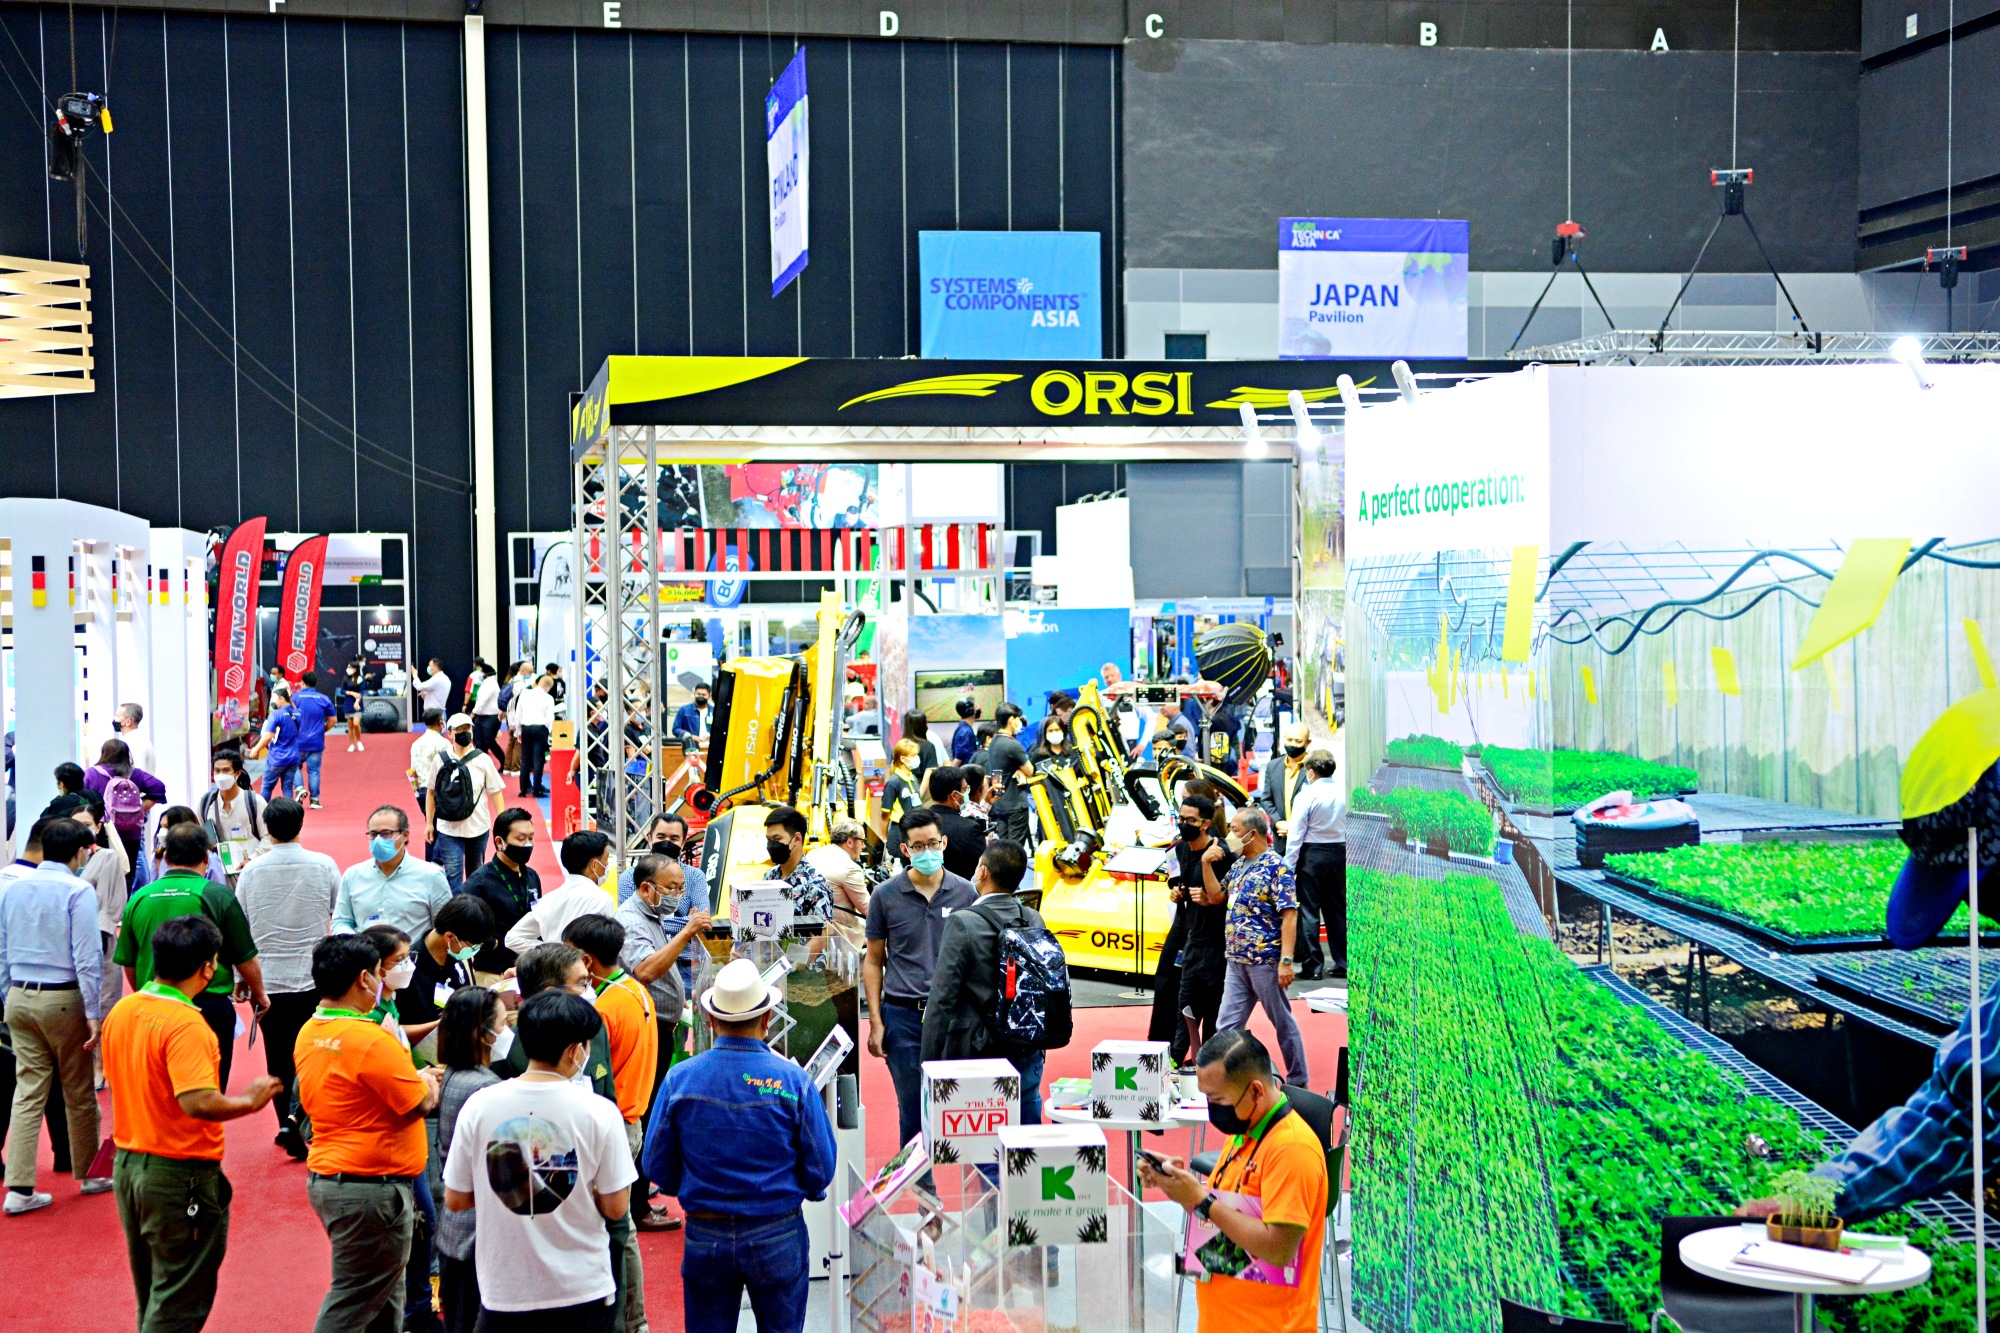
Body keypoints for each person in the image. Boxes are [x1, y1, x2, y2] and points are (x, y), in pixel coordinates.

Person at [102, 915, 284, 1330]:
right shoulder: (186, 1024)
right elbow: (197, 1101)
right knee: (180, 1297)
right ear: (208, 967)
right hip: (176, 1171)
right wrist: (249, 1102)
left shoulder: (125, 1010)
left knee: (155, 1290)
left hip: (129, 1164)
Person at [643, 958, 836, 1333]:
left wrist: (691, 1185)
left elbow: (655, 1164)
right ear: (767, 1019)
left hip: (706, 1234)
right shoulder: (793, 1082)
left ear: (711, 1020)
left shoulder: (679, 1080)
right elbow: (821, 1169)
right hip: (777, 1230)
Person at [444, 990, 634, 1333]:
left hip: (505, 1287)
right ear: (575, 1051)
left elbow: (456, 1199)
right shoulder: (600, 1112)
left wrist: (501, 1186)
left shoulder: (480, 1105)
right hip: (582, 1286)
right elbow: (616, 1206)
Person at [295, 933, 444, 1333]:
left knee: (384, 1298)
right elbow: (419, 1103)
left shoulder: (310, 1030)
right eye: (380, 971)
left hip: (339, 1178)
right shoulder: (370, 1039)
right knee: (354, 1299)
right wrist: (428, 1080)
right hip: (371, 1188)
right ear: (364, 979)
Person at [1136, 1029, 1326, 1333]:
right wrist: (1180, 1189)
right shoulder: (1245, 1130)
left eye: (1218, 1099)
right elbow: (1227, 1220)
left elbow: (1279, 1249)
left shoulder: (1292, 1150)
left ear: (1256, 1091)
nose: (1212, 1109)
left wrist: (1201, 1200)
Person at [1, 817, 111, 1211]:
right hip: (63, 998)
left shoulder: (13, 889)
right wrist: (93, 1011)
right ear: (79, 852)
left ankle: (18, 1189)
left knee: (27, 1092)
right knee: (78, 1091)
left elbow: (2, 950)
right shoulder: (77, 890)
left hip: (19, 996)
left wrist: (7, 995)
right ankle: (92, 1173)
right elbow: (88, 955)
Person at [115, 822, 268, 1094]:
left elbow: (129, 961)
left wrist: (143, 992)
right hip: (208, 1007)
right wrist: (259, 993)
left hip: (152, 1006)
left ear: (166, 856)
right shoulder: (217, 895)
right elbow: (245, 955)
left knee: (161, 1089)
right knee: (208, 1090)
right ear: (206, 857)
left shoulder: (139, 898)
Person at [563, 913, 657, 1331]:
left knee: (618, 1231)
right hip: (632, 1118)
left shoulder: (603, 1009)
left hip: (614, 1123)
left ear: (586, 959)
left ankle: (630, 1319)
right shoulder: (636, 989)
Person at [919, 838, 1057, 1124]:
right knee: (1026, 1131)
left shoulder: (963, 922)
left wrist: (928, 1062)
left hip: (978, 1049)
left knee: (983, 1134)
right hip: (1027, 1043)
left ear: (982, 872)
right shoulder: (1033, 917)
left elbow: (942, 998)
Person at [234, 797, 341, 1160]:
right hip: (315, 979)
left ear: (267, 828)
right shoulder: (323, 865)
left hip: (268, 981)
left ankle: (286, 1122)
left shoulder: (251, 872)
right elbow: (337, 911)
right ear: (300, 825)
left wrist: (241, 977)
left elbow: (241, 929)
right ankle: (310, 1121)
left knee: (278, 1057)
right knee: (318, 1053)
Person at [864, 808, 977, 1150]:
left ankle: (975, 1180)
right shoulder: (885, 895)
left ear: (944, 843)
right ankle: (920, 1182)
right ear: (905, 850)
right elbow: (873, 961)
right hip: (903, 1018)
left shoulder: (966, 893)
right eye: (918, 846)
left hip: (954, 1018)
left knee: (966, 1109)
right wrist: (876, 1021)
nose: (926, 851)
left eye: (932, 843)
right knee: (913, 1114)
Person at [616, 855, 711, 1228]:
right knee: (644, 1115)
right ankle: (636, 1207)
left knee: (652, 1113)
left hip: (661, 1026)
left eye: (681, 888)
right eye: (671, 888)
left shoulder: (652, 916)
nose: (678, 896)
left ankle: (639, 1197)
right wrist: (686, 933)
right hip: (646, 1029)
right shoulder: (631, 921)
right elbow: (645, 970)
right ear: (646, 888)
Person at [1214, 808, 1309, 1087]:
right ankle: (1231, 1082)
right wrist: (1206, 864)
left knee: (1282, 1023)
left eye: (1234, 830)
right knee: (1226, 1027)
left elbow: (1289, 915)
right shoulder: (1238, 865)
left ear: (1252, 834)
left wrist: (1286, 961)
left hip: (1265, 961)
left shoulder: (1277, 867)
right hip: (1236, 960)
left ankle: (1298, 1081)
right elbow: (1217, 895)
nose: (1229, 836)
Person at [433, 986, 505, 1333]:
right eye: (503, 1023)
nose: (507, 1030)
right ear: (484, 1033)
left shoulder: (453, 1073)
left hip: (455, 1231)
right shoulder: (485, 1088)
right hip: (476, 1235)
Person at [1169, 793, 1235, 1063]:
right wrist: (1176, 891)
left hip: (1218, 945)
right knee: (1184, 1010)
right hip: (1192, 941)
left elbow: (1228, 896)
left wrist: (1211, 899)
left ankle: (1209, 1067)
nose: (1183, 824)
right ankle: (1174, 1063)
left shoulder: (1220, 853)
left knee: (1213, 1014)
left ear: (1205, 824)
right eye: (1180, 818)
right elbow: (1176, 878)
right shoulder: (1181, 849)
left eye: (1190, 820)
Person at [336, 805, 453, 939]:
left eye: (386, 833)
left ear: (405, 835)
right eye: (373, 834)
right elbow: (341, 921)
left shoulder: (431, 876)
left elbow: (444, 927)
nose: (378, 840)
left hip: (413, 951)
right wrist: (356, 944)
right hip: (365, 951)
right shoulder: (353, 876)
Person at [1282, 751, 1346, 978]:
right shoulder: (1344, 791)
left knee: (1309, 910)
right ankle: (1343, 962)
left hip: (1312, 854)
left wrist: (1288, 867)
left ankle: (1313, 967)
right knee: (1337, 909)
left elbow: (1296, 834)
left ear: (1311, 772)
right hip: (1339, 852)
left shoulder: (1307, 795)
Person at [397, 895, 495, 1041]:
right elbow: (392, 1031)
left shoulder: (459, 956)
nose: (475, 950)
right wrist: (441, 1025)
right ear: (449, 937)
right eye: (473, 946)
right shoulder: (405, 970)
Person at [427, 713, 507, 891]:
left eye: (467, 728)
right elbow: (431, 791)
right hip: (448, 828)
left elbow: (496, 792)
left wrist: (502, 823)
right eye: (459, 729)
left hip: (478, 827)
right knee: (453, 874)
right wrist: (429, 824)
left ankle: (473, 906)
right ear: (449, 734)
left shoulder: (483, 759)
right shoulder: (440, 760)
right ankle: (456, 908)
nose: (464, 732)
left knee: (475, 875)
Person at [504, 830, 615, 954]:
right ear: (594, 865)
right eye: (606, 859)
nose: (607, 864)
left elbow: (512, 939)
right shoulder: (602, 899)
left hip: (552, 965)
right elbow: (603, 948)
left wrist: (553, 953)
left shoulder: (547, 900)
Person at [462, 809, 541, 974]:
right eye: (521, 839)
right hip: (493, 972)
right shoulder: (479, 883)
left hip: (530, 969)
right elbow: (464, 928)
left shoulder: (532, 876)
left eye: (531, 838)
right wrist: (493, 944)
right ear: (499, 842)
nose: (527, 844)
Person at [87, 738, 167, 866]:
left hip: (103, 830)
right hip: (131, 831)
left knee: (102, 869)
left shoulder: (91, 774)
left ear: (103, 753)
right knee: (129, 870)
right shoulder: (136, 774)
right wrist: (141, 809)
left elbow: (81, 797)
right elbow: (159, 787)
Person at [616, 814, 712, 912]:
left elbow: (702, 917)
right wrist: (689, 919)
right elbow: (629, 917)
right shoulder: (630, 877)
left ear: (683, 843)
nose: (666, 843)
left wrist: (647, 917)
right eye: (661, 837)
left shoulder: (695, 876)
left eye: (674, 838)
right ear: (650, 840)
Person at [199, 751, 271, 881]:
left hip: (250, 873)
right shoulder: (205, 804)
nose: (221, 775)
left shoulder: (254, 802)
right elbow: (197, 834)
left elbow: (268, 836)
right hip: (218, 875)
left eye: (226, 770)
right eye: (217, 771)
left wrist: (252, 859)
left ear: (237, 773)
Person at [762, 805, 833, 927]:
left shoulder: (814, 885)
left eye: (777, 839)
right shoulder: (770, 876)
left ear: (796, 839)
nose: (771, 845)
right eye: (769, 840)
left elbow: (821, 934)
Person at [985, 702, 1035, 845]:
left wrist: (1018, 769)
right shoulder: (1012, 745)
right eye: (1018, 718)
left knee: (1003, 848)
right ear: (1011, 720)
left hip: (1000, 803)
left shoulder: (994, 742)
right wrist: (1021, 770)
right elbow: (1030, 771)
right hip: (1015, 805)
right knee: (1015, 849)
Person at [923, 766, 985, 881]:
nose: (966, 793)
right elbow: (982, 866)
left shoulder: (919, 823)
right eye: (965, 789)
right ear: (955, 795)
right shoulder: (969, 828)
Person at [407, 708, 451, 862]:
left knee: (430, 826)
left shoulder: (416, 744)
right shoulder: (444, 744)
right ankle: (436, 862)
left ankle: (430, 863)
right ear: (440, 722)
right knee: (443, 828)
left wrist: (417, 793)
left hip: (422, 790)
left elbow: (412, 771)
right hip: (438, 791)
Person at [252, 687, 307, 802]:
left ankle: (263, 811)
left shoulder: (275, 715)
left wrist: (256, 749)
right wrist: (289, 699)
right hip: (293, 758)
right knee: (287, 787)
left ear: (281, 698)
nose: (273, 701)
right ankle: (288, 810)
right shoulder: (298, 713)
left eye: (274, 698)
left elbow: (268, 736)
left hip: (276, 758)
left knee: (267, 787)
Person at [292, 671, 337, 809]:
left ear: (302, 683)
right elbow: (333, 720)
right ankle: (315, 800)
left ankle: (299, 788)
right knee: (314, 771)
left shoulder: (294, 698)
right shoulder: (323, 699)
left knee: (293, 766)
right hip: (316, 742)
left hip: (297, 741)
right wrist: (323, 730)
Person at [513, 673, 556, 798]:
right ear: (548, 687)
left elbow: (518, 715)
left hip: (526, 728)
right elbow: (550, 718)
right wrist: (550, 732)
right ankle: (537, 790)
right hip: (540, 729)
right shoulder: (548, 698)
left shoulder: (524, 694)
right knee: (538, 760)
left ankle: (523, 790)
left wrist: (518, 731)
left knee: (525, 760)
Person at [879, 739, 924, 852]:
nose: (917, 758)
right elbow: (885, 813)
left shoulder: (912, 778)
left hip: (915, 829)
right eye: (914, 755)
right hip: (899, 832)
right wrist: (884, 837)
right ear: (903, 759)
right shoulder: (893, 782)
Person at [468, 666, 507, 772]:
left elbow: (483, 701)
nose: (479, 674)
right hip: (481, 716)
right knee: (479, 742)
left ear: (486, 673)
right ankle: (482, 765)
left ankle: (504, 762)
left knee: (489, 741)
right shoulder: (485, 683)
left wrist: (473, 712)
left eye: (481, 672)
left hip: (491, 716)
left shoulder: (491, 684)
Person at [113, 702, 158, 775]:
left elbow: (138, 774)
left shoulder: (134, 742)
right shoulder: (141, 739)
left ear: (128, 721)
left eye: (117, 716)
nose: (115, 719)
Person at [900, 712, 939, 785]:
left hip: (903, 787)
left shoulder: (900, 746)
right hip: (921, 786)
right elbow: (929, 773)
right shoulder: (928, 746)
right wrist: (919, 792)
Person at [670, 682, 713, 747]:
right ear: (694, 694)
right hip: (690, 746)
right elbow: (676, 729)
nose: (701, 697)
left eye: (704, 695)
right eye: (698, 694)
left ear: (709, 696)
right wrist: (689, 736)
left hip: (710, 747)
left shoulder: (714, 711)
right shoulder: (684, 710)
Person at [341, 660, 369, 753]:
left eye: (350, 667)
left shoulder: (361, 678)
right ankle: (351, 744)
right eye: (348, 667)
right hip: (348, 703)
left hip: (357, 704)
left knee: (356, 724)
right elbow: (342, 690)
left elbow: (361, 692)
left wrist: (357, 701)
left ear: (355, 669)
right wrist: (351, 693)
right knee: (350, 725)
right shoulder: (346, 678)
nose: (348, 669)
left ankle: (359, 742)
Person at [415, 659, 452, 723]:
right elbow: (437, 693)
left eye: (430, 665)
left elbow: (419, 686)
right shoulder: (446, 678)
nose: (428, 668)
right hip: (441, 712)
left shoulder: (436, 679)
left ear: (435, 666)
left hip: (433, 714)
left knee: (433, 729)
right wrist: (427, 694)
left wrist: (415, 675)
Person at [949, 697, 979, 764]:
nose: (977, 708)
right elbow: (958, 759)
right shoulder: (966, 732)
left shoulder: (963, 728)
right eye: (975, 706)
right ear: (970, 711)